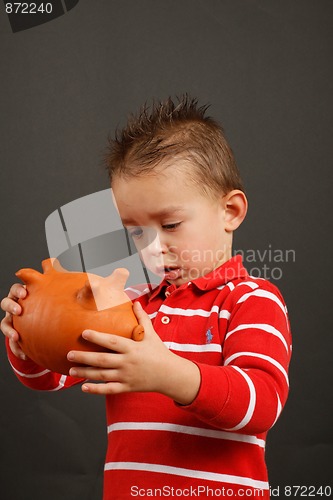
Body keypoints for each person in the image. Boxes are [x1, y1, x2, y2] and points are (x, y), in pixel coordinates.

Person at [1, 95, 292, 499]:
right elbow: (52, 375)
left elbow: (262, 405)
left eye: (170, 224)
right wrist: (27, 334)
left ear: (231, 211)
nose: (153, 247)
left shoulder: (251, 300)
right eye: (136, 231)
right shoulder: (128, 305)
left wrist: (166, 373)